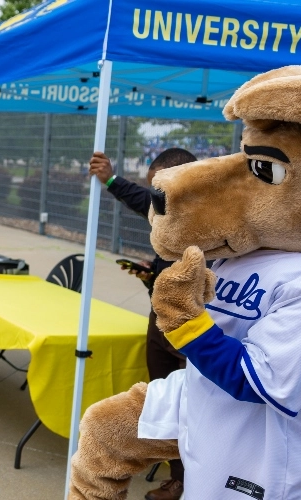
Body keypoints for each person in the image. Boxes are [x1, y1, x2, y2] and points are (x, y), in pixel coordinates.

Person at [88, 147, 197, 500]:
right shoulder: (163, 212)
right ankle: (177, 475)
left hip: (194, 324)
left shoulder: (210, 216)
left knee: (191, 404)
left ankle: (190, 483)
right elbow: (142, 201)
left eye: (160, 192)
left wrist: (113, 179)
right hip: (160, 318)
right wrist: (153, 275)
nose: (155, 202)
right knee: (164, 397)